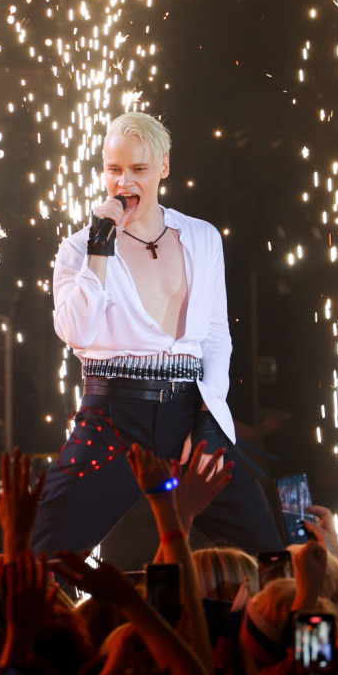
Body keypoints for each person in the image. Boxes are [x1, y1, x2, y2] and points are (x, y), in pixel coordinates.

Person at [31, 111, 283, 558]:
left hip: (191, 413)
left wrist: (210, 419)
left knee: (269, 553)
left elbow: (216, 337)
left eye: (138, 170)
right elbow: (76, 330)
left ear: (163, 167)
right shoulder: (78, 248)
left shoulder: (202, 238)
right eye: (114, 170)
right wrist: (99, 249)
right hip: (112, 417)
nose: (124, 182)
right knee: (46, 554)